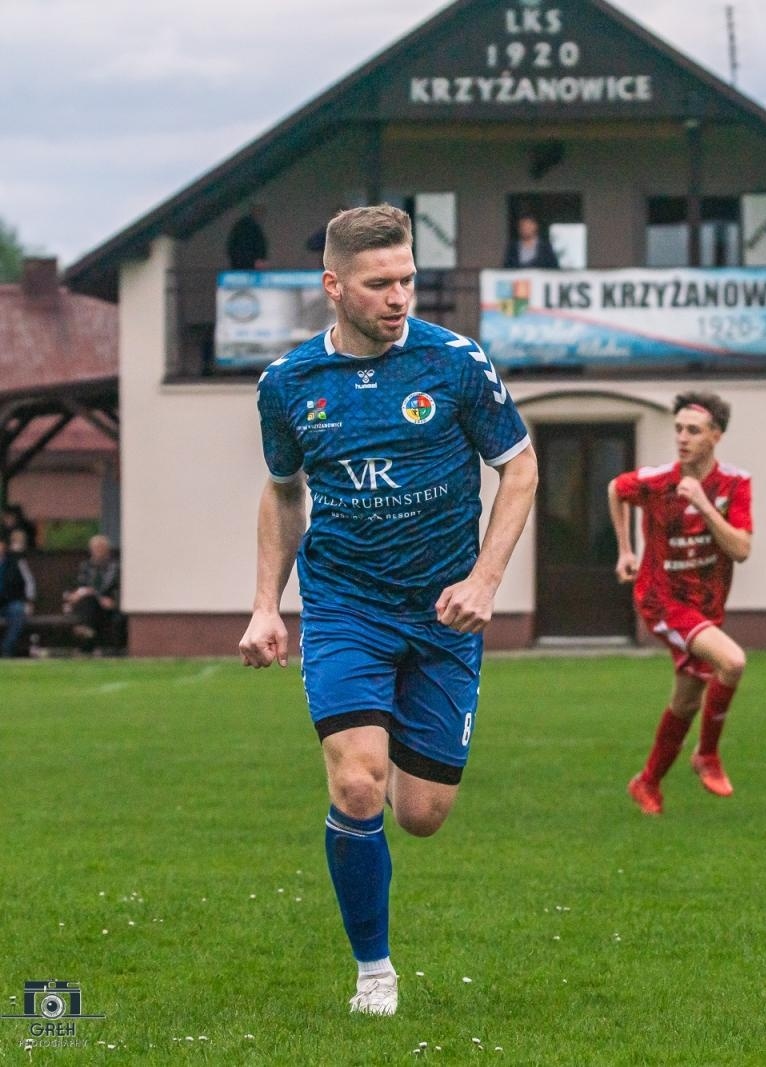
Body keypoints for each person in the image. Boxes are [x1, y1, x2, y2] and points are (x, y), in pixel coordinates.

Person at [239, 205, 538, 1017]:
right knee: (360, 784)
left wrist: (484, 580)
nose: (399, 296)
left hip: (444, 614)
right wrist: (268, 605)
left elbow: (519, 468)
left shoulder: (456, 364)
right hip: (344, 607)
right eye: (380, 284)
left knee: (423, 814)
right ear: (334, 286)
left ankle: (413, 746)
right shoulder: (290, 385)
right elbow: (284, 490)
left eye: (407, 279)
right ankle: (375, 971)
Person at [609, 392, 752, 816]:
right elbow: (616, 489)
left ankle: (648, 782)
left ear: (716, 436)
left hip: (705, 608)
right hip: (662, 599)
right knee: (734, 662)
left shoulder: (735, 485)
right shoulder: (657, 481)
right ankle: (706, 754)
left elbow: (741, 549)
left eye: (693, 430)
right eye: (678, 429)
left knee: (688, 701)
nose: (682, 438)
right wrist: (625, 549)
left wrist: (703, 504)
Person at [64, 534, 120, 652]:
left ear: (107, 550)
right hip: (89, 603)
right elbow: (81, 585)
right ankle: (87, 631)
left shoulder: (114, 567)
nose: (98, 551)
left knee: (90, 602)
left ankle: (86, 633)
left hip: (108, 604)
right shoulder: (86, 566)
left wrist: (113, 601)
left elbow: (111, 587)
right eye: (95, 548)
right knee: (88, 601)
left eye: (101, 548)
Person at [0, 529, 35, 658]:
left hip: (11, 601)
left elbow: (29, 582)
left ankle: (6, 649)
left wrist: (29, 601)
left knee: (18, 611)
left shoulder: (16, 561)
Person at [227, 204, 269, 270]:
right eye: (259, 211)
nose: (262, 216)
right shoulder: (249, 227)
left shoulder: (246, 226)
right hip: (246, 265)